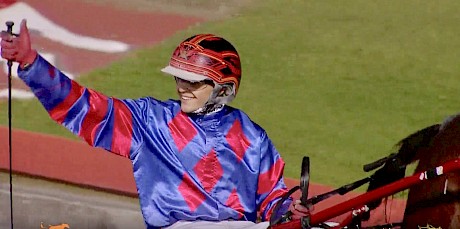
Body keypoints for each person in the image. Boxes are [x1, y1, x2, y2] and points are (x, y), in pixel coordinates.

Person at [1, 19, 309, 229]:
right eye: (179, 78)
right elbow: (87, 108)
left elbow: (272, 199)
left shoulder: (252, 137)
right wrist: (31, 63)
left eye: (193, 82)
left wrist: (286, 211)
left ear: (224, 88)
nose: (181, 88)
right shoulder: (150, 121)